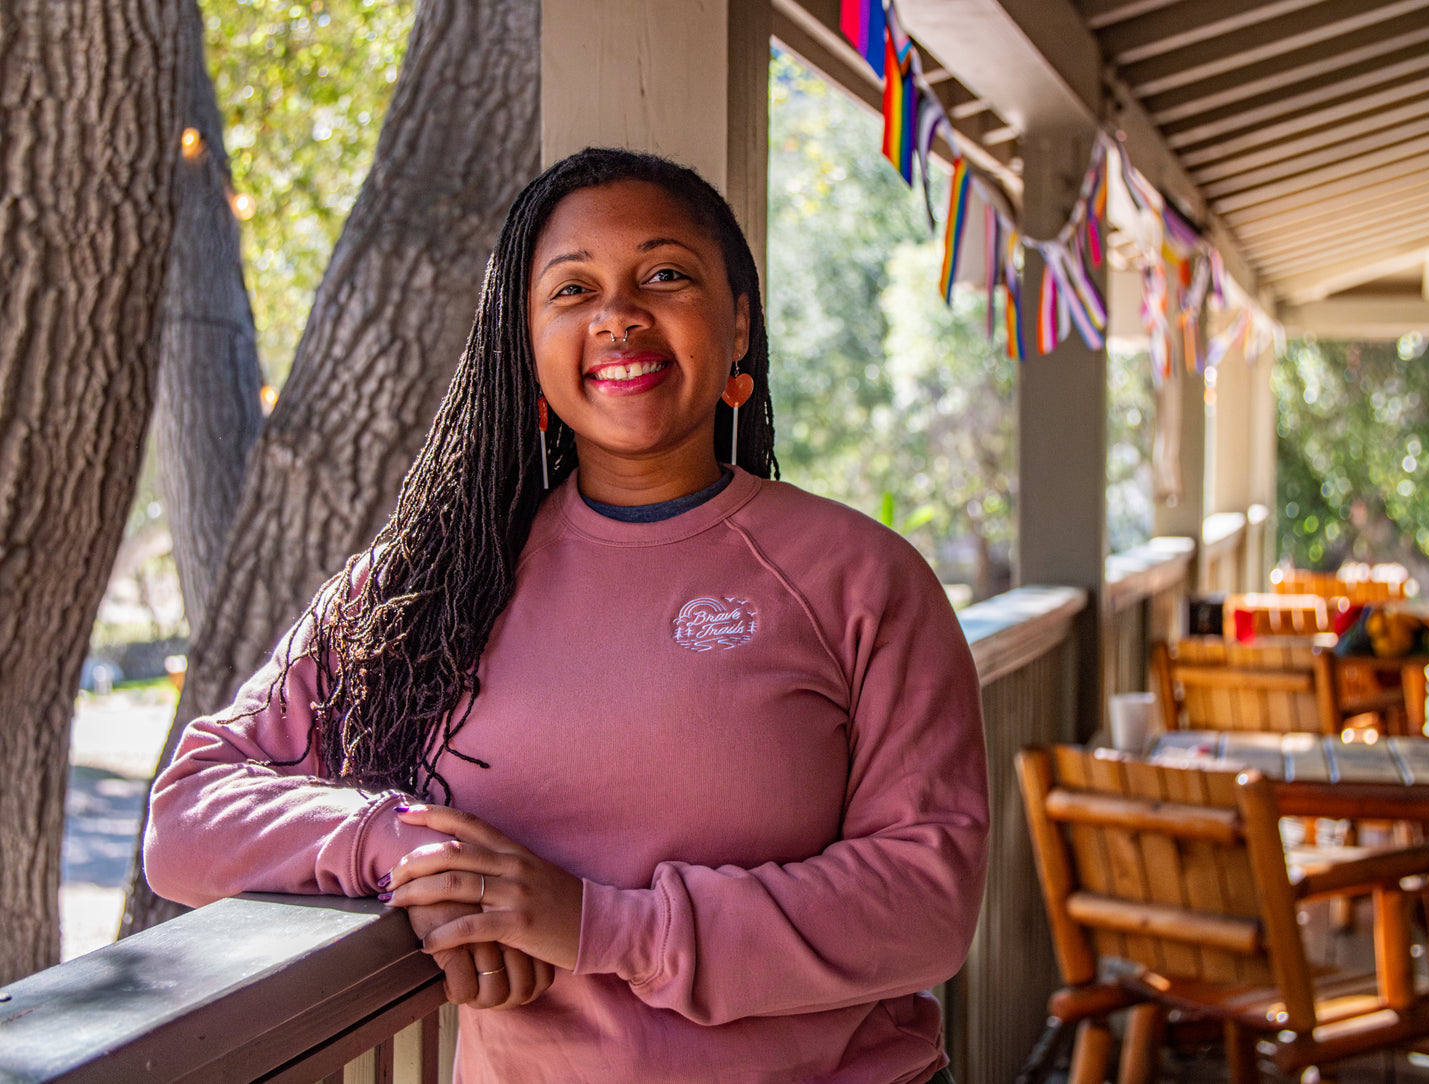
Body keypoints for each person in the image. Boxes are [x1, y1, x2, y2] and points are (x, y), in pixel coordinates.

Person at [145, 147, 990, 1084]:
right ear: (526, 340)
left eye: (664, 275)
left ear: (738, 321)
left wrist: (597, 925)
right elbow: (185, 818)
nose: (619, 316)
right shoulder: (431, 587)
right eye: (571, 289)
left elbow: (925, 904)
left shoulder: (861, 578)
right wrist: (402, 847)